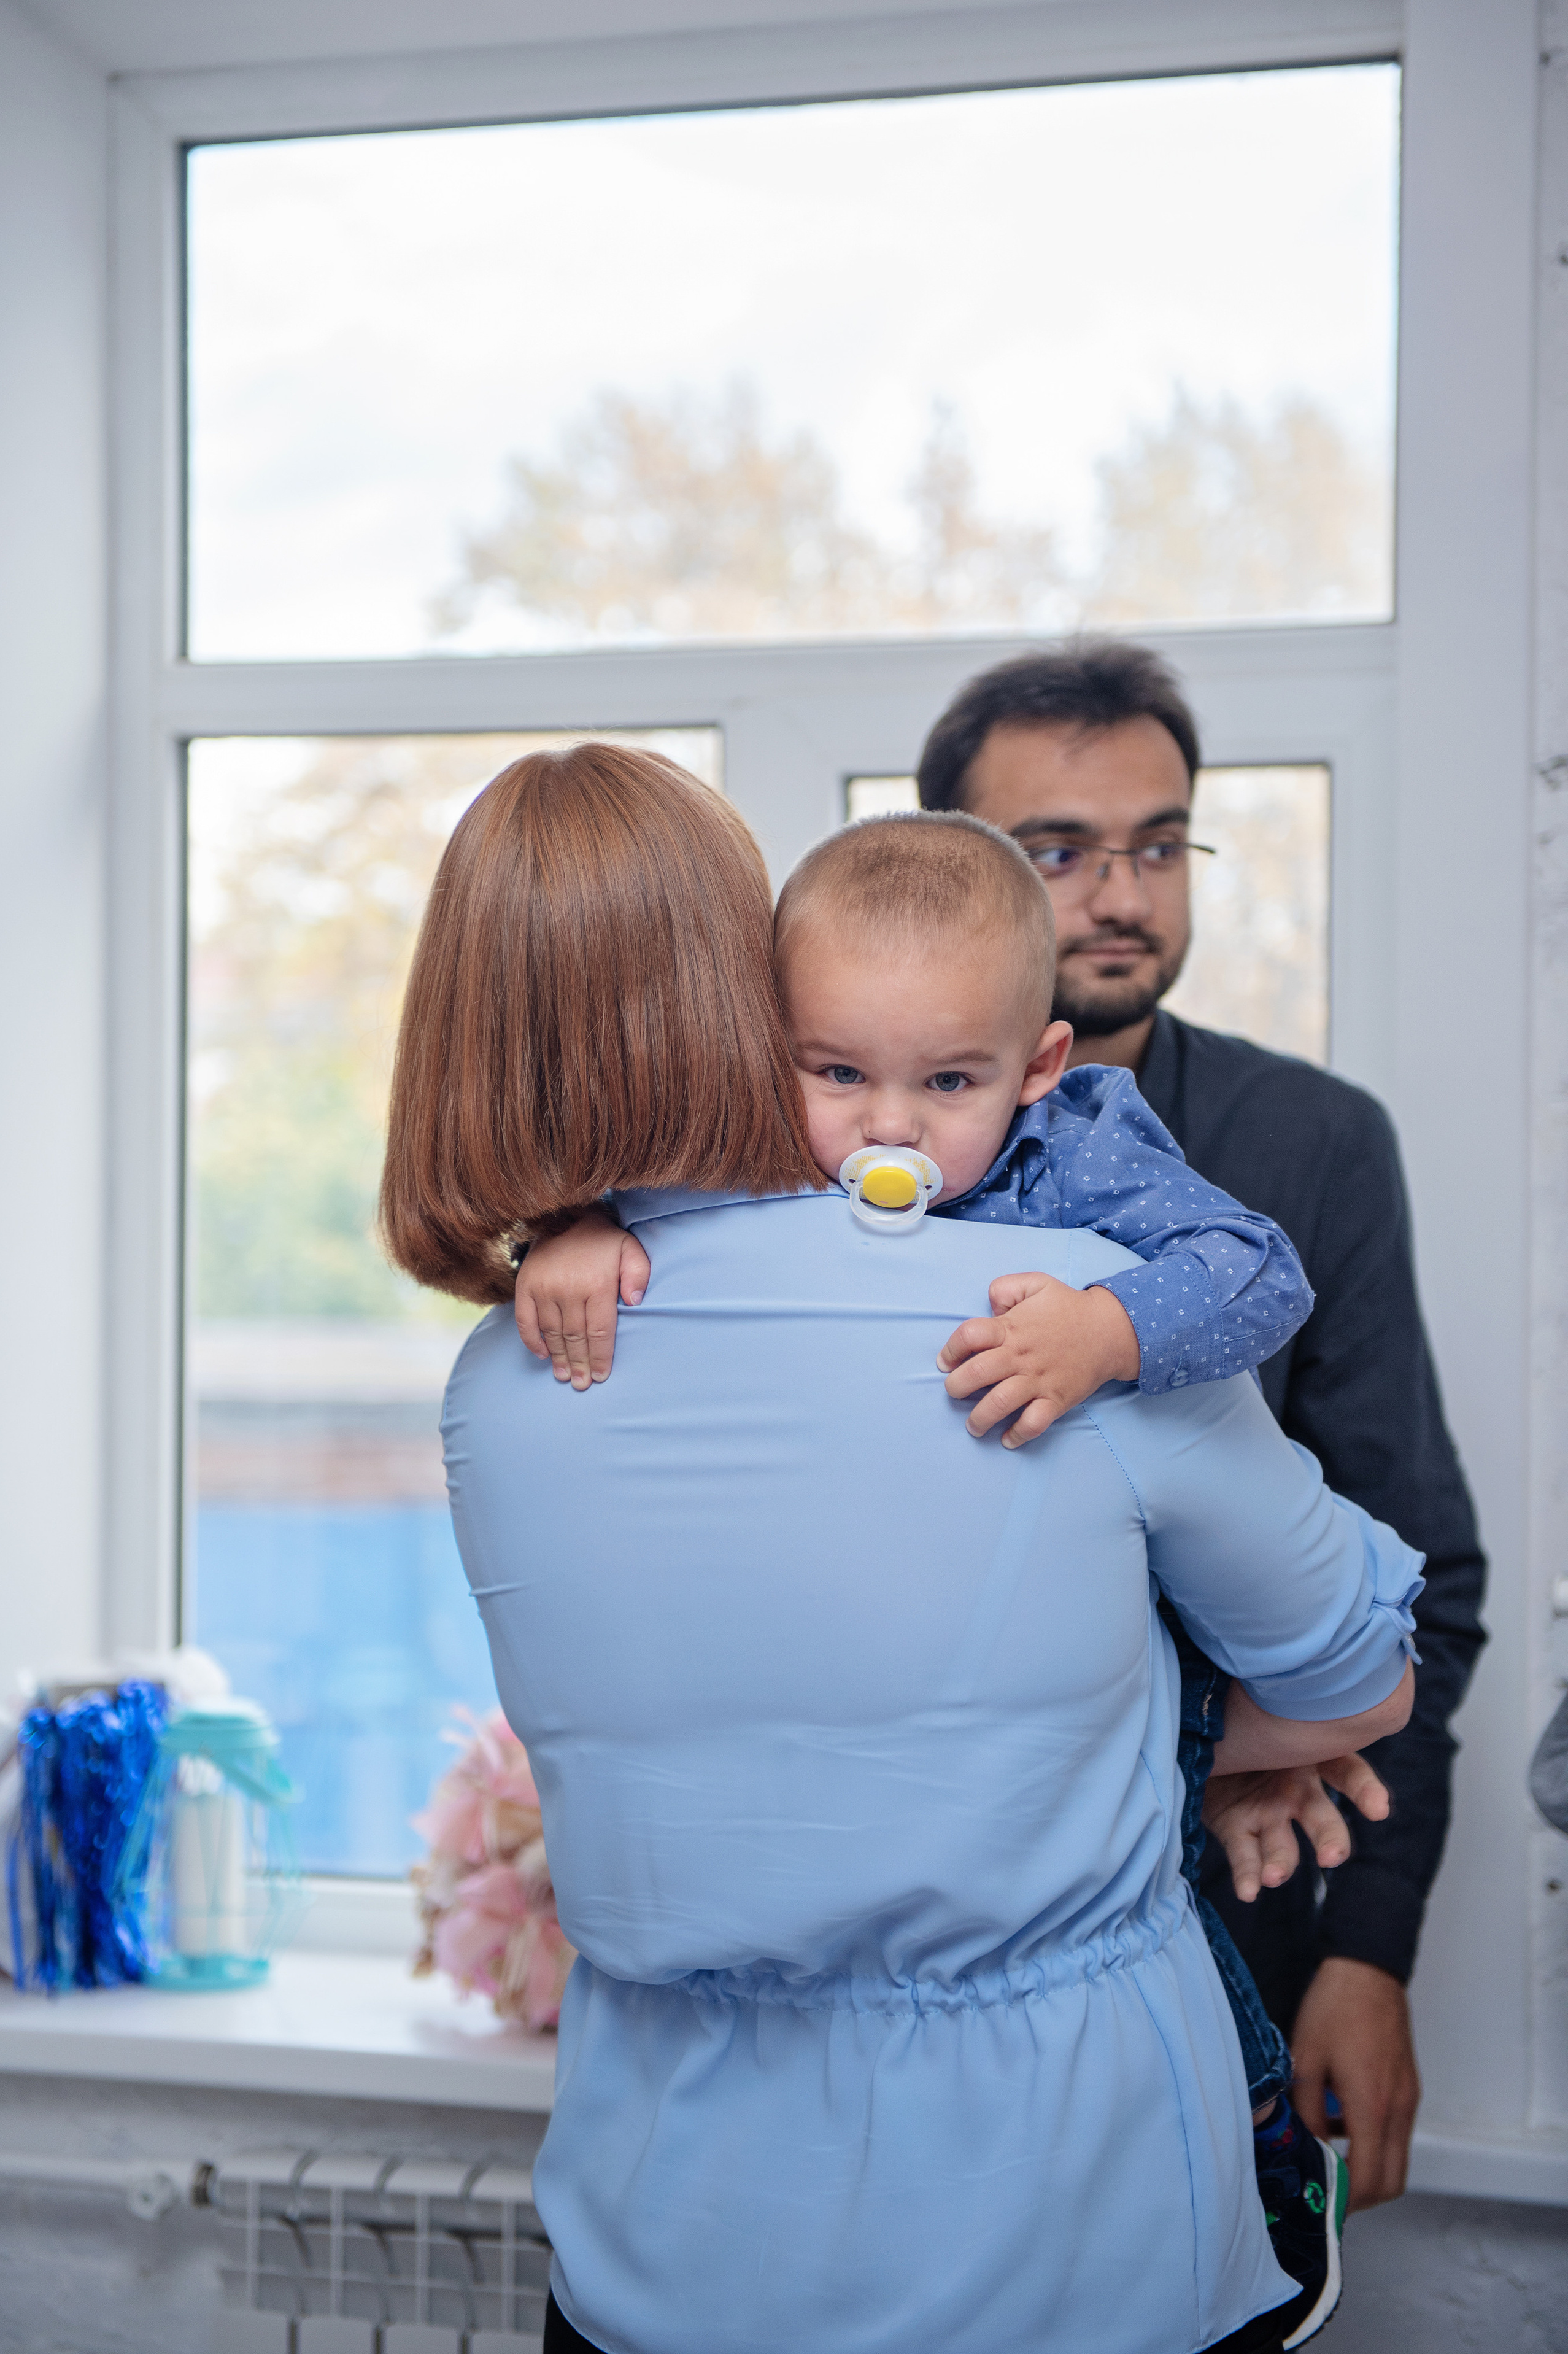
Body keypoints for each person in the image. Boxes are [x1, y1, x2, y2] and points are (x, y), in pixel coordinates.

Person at [380, 741, 1420, 2354]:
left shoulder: (508, 1376)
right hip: (1074, 2239)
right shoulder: (1057, 1310)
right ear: (751, 989)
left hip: (666, 2247)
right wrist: (1182, 1748)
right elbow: (1361, 1680)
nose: (893, 1113)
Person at [915, 638, 1489, 2210]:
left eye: (1158, 843)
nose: (1120, 894)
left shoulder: (1311, 1143)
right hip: (927, 1910)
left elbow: (1421, 1564)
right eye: (1056, 851)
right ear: (952, 869)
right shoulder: (845, 1154)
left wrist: (1367, 1951)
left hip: (1247, 1913)